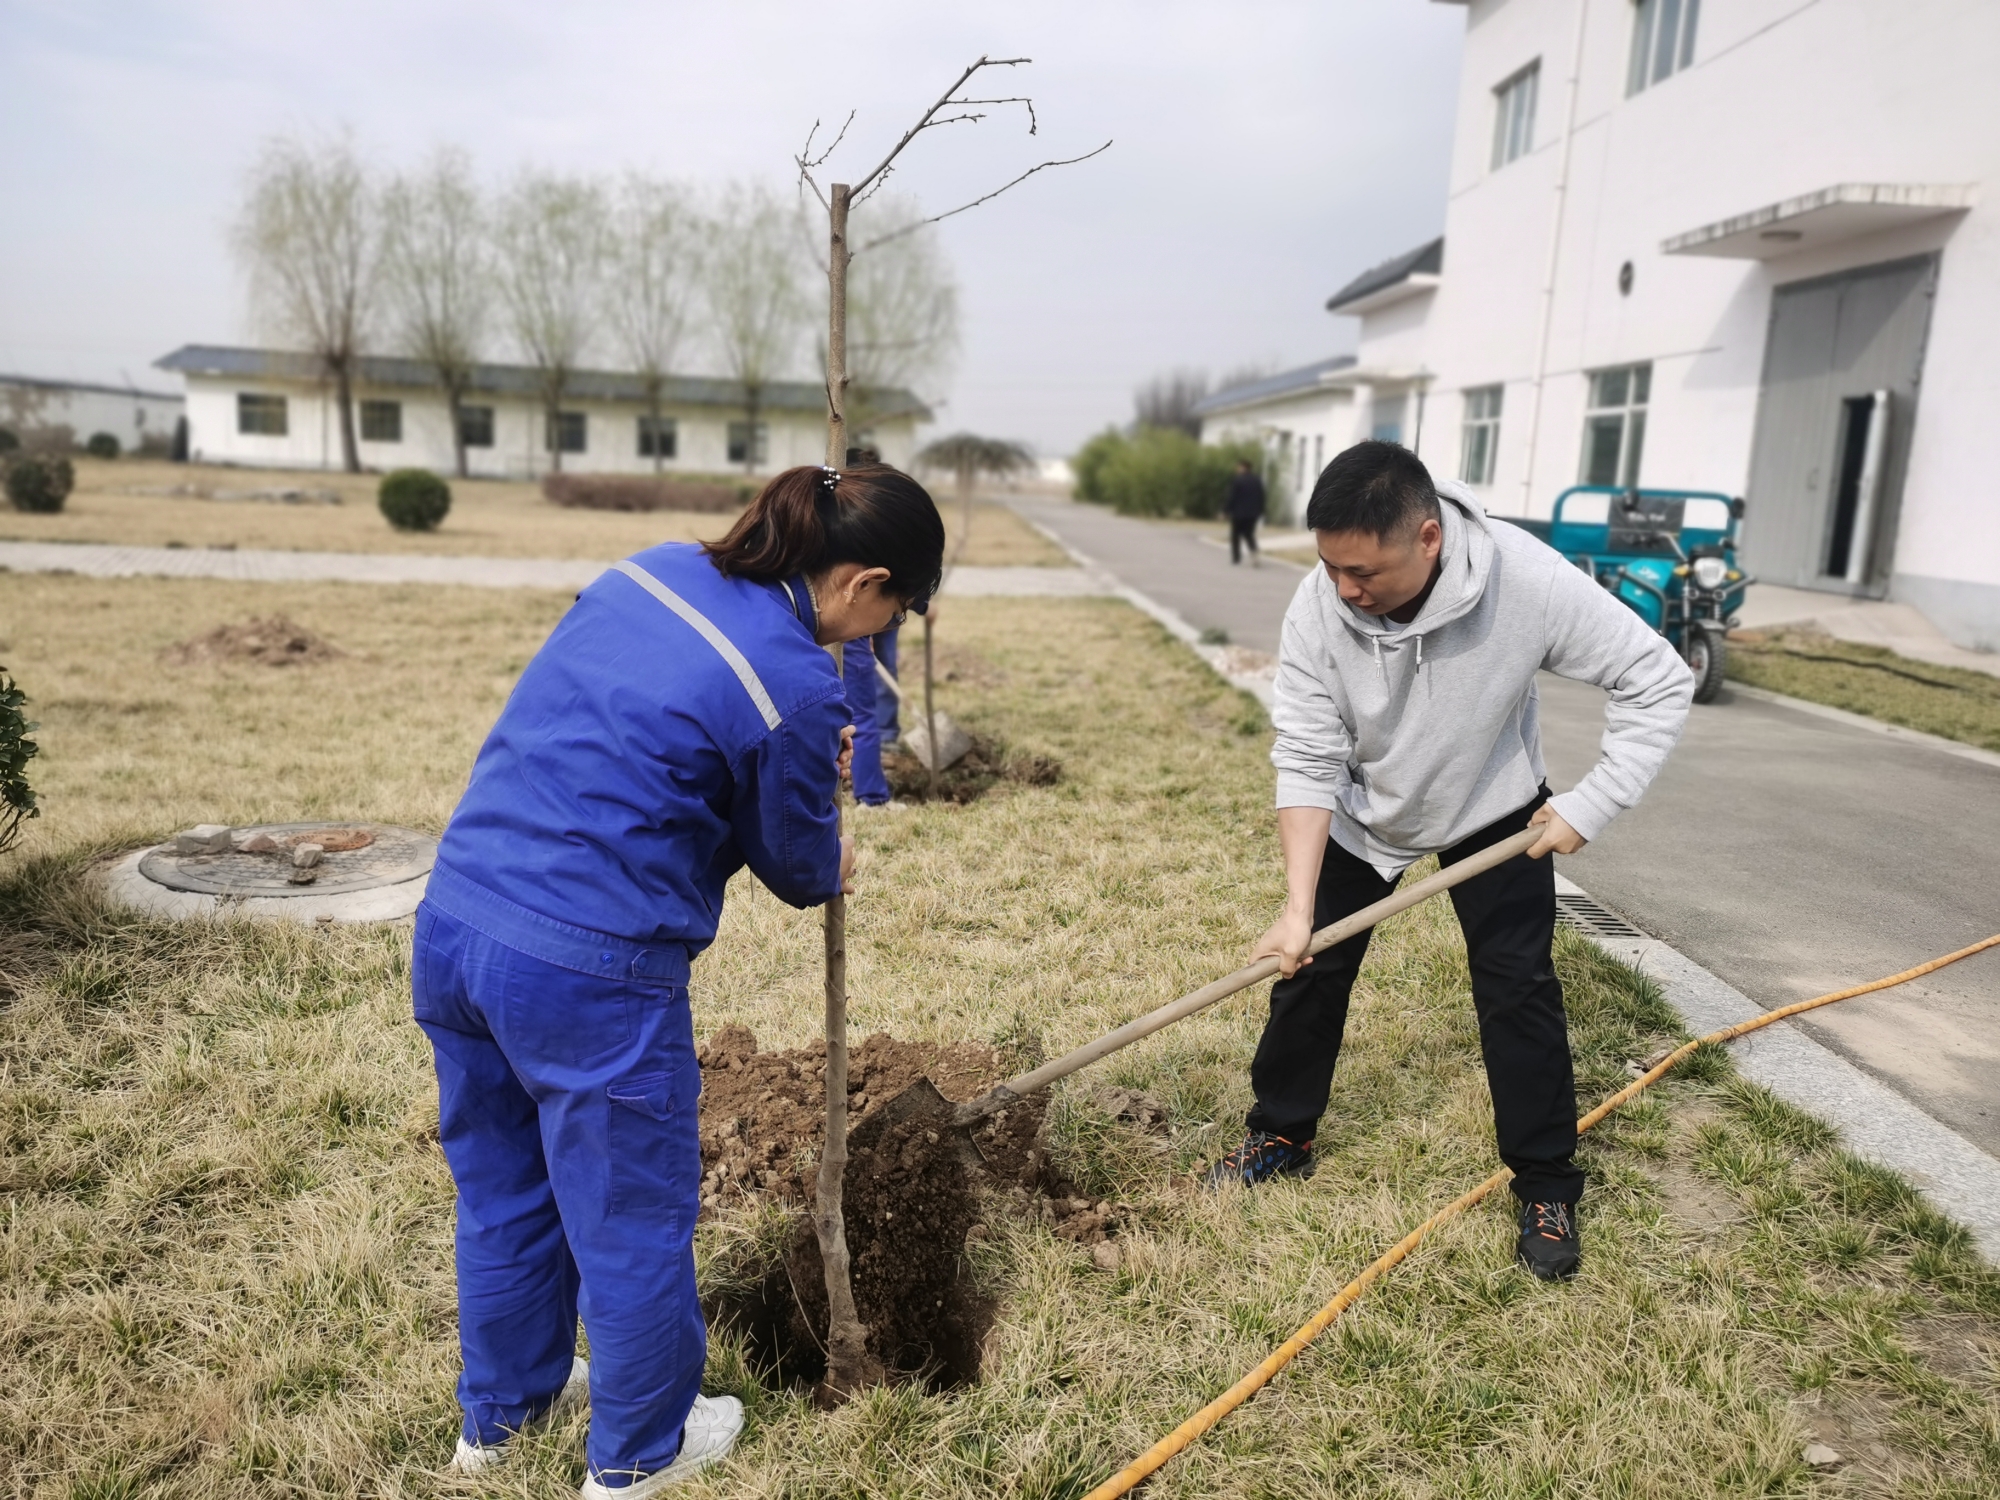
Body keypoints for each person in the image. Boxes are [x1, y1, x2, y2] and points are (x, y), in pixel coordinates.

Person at [414, 463, 944, 1494]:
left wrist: (795, 761)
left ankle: (501, 1417)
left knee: (504, 1192)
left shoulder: (649, 570)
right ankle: (639, 1455)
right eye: (897, 611)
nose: (883, 634)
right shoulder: (795, 682)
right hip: (584, 972)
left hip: (459, 920)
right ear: (864, 583)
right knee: (630, 1223)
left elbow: (639, 730)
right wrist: (830, 840)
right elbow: (798, 867)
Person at [1205, 441, 1692, 1282]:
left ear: (1428, 538)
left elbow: (1657, 677)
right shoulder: (1319, 604)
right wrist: (1297, 908)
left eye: (1363, 571)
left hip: (1493, 810)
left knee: (1518, 989)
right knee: (1309, 970)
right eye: (1330, 566)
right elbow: (1308, 755)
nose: (1344, 589)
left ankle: (1546, 1184)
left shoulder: (1524, 579)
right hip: (1368, 809)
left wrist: (1593, 802)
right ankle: (1281, 1132)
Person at [1225, 458, 1267, 566]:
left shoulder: (1238, 480)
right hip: (1253, 513)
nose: (1237, 469)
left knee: (1235, 535)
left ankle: (1236, 557)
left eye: (1239, 467)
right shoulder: (1257, 480)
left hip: (1238, 513)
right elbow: (1261, 497)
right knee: (1249, 534)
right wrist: (1261, 511)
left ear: (1243, 468)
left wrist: (1226, 510)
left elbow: (1232, 497)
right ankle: (1254, 552)